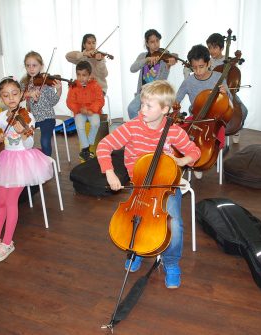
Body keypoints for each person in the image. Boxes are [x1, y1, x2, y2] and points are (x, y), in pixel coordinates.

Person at [97, 80, 201, 289]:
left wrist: (181, 161)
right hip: (139, 184)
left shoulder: (174, 131)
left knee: (174, 224)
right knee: (136, 220)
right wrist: (109, 173)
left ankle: (171, 263)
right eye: (142, 104)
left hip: (166, 185)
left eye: (148, 106)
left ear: (164, 109)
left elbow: (195, 151)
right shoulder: (132, 128)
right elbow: (104, 145)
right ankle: (137, 251)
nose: (141, 109)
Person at [0, 77, 54, 263]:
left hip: (24, 160)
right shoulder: (0, 117)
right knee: (1, 202)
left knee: (11, 200)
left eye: (14, 94)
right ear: (1, 98)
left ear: (21, 94)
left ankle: (7, 242)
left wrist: (22, 132)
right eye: (6, 95)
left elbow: (29, 144)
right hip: (7, 161)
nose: (11, 98)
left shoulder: (27, 115)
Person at [176, 44, 232, 179]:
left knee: (215, 136)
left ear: (208, 63)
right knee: (179, 133)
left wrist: (225, 93)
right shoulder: (189, 81)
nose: (198, 71)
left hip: (214, 120)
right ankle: (190, 159)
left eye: (201, 67)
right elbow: (176, 100)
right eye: (194, 68)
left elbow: (230, 102)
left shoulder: (218, 78)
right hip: (195, 118)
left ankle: (201, 160)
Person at [127, 29, 177, 120]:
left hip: (157, 93)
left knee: (154, 114)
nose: (156, 44)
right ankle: (139, 129)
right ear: (147, 43)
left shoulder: (164, 56)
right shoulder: (143, 56)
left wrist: (168, 67)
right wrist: (146, 60)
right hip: (143, 92)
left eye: (157, 41)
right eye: (152, 42)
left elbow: (162, 80)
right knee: (132, 109)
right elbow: (132, 69)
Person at [21, 51, 62, 157]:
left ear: (41, 66)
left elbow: (53, 101)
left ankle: (46, 161)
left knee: (44, 140)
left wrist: (59, 90)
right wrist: (29, 93)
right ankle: (30, 158)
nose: (31, 68)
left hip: (47, 117)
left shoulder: (46, 84)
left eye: (34, 65)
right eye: (28, 65)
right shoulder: (24, 83)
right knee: (23, 138)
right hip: (31, 117)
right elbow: (19, 97)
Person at [66, 61, 105, 161]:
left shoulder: (95, 85)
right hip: (79, 111)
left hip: (92, 111)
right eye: (78, 75)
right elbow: (70, 101)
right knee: (79, 126)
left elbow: (100, 100)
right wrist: (79, 109)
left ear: (89, 75)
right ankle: (86, 148)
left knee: (96, 123)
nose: (81, 78)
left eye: (84, 75)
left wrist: (90, 110)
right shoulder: (73, 86)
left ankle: (87, 145)